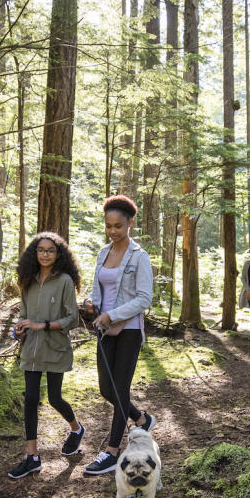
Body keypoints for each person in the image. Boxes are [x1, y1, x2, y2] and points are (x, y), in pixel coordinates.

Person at [81, 195, 155, 476]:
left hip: (129, 330)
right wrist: (90, 302)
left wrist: (113, 314)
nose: (113, 231)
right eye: (108, 226)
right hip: (104, 329)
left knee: (120, 389)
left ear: (130, 223)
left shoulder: (139, 256)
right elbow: (98, 289)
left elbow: (144, 298)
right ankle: (141, 418)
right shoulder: (103, 253)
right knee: (106, 389)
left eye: (118, 226)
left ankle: (112, 452)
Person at [8, 232, 84, 479]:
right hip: (30, 350)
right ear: (34, 252)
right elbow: (23, 313)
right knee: (30, 398)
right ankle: (32, 457)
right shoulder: (28, 281)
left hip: (55, 348)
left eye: (50, 250)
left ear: (58, 254)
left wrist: (44, 325)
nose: (45, 254)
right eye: (41, 249)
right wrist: (19, 328)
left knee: (54, 398)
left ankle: (76, 429)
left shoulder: (64, 281)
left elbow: (72, 318)